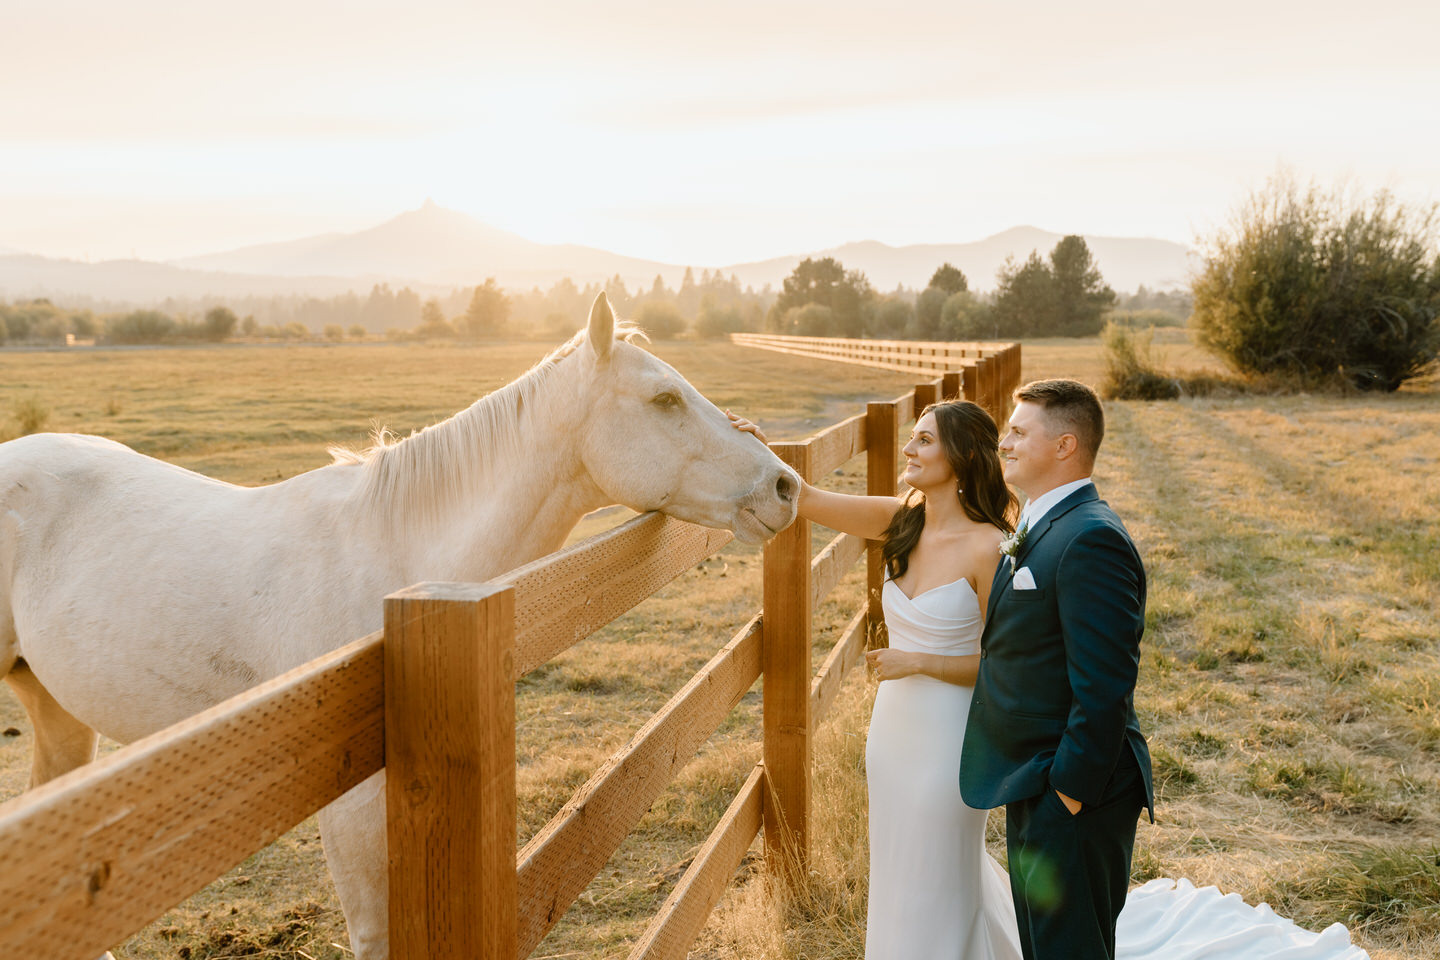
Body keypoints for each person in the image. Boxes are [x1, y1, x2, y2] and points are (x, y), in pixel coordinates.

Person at [729, 400, 1025, 960]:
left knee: (941, 862)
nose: (909, 451)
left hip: (954, 735)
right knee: (896, 863)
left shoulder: (991, 548)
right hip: (893, 733)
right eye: (911, 439)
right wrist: (758, 449)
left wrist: (919, 663)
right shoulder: (900, 520)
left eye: (924, 441)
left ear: (961, 455)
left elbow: (1008, 668)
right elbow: (807, 499)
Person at [959, 378, 1153, 960]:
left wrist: (1067, 793)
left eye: (1019, 431)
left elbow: (1106, 687)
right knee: (1044, 946)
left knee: (1069, 948)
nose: (1005, 441)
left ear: (1065, 445)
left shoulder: (1091, 538)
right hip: (1034, 775)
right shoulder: (1041, 522)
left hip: (1073, 789)